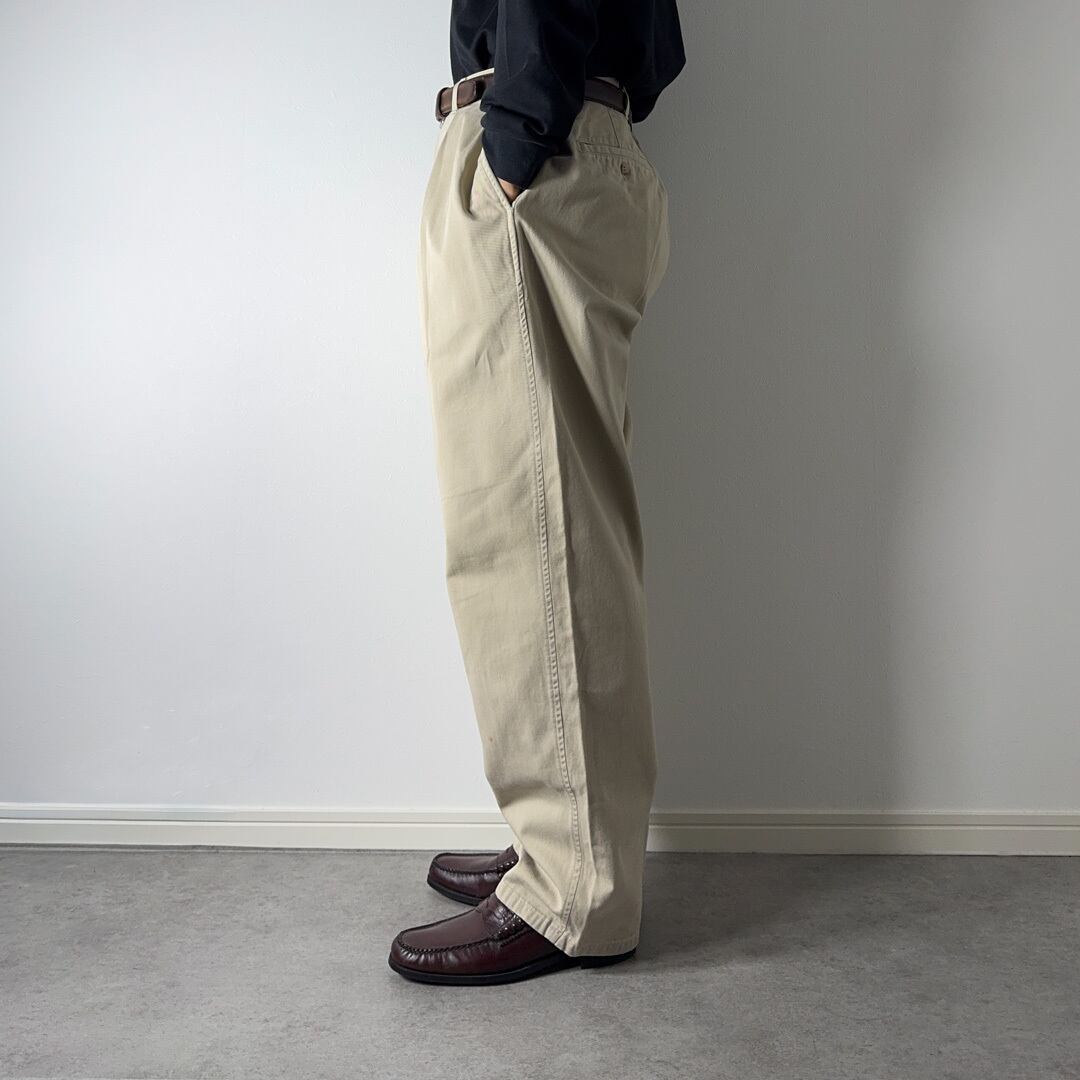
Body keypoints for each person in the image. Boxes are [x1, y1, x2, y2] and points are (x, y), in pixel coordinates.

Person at [388, 0, 685, 986]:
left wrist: (514, 140)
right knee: (557, 526)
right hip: (566, 142)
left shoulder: (524, 146)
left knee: (532, 534)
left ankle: (574, 886)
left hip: (535, 156)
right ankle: (563, 843)